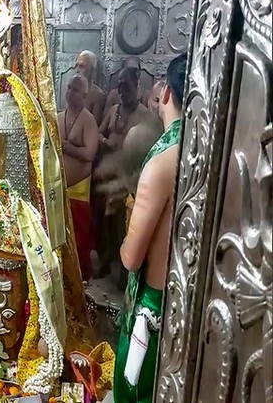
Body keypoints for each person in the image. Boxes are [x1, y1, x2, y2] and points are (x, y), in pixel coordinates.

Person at [114, 52, 186, 403]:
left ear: (167, 95)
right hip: (191, 308)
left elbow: (132, 257)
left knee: (136, 392)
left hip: (153, 307)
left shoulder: (162, 161)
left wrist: (124, 243)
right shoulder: (208, 149)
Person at [94, 67, 156, 279]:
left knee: (125, 226)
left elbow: (147, 148)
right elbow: (98, 132)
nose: (121, 89)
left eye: (126, 85)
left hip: (129, 179)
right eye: (119, 84)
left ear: (137, 87)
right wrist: (105, 143)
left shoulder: (145, 116)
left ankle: (124, 269)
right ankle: (106, 260)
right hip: (107, 175)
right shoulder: (113, 110)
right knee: (104, 223)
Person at [58, 75, 99, 282]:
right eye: (68, 88)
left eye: (75, 89)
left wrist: (68, 147)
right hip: (59, 187)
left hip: (78, 190)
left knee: (79, 240)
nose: (69, 92)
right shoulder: (58, 117)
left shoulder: (88, 120)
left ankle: (80, 281)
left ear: (84, 94)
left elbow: (89, 154)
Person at [75, 50, 107, 126]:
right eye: (77, 66)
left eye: (82, 66)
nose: (77, 70)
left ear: (91, 70)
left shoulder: (97, 95)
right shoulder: (72, 90)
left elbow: (94, 124)